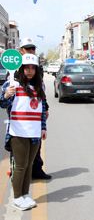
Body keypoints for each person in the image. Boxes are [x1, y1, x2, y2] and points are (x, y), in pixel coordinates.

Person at [0, 53, 47, 211]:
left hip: (34, 134)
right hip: (18, 133)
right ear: (21, 69)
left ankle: (25, 194)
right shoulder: (12, 84)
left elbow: (42, 110)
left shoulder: (40, 88)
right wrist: (6, 95)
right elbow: (2, 103)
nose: (29, 71)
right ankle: (17, 197)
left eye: (32, 68)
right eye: (26, 68)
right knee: (20, 166)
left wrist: (43, 127)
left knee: (29, 165)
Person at [19, 38, 51, 180]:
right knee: (20, 148)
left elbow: (41, 89)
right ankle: (19, 175)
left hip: (35, 109)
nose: (31, 50)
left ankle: (36, 170)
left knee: (36, 144)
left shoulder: (37, 67)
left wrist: (45, 107)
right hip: (20, 114)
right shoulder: (17, 68)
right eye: (27, 48)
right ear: (21, 50)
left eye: (32, 48)